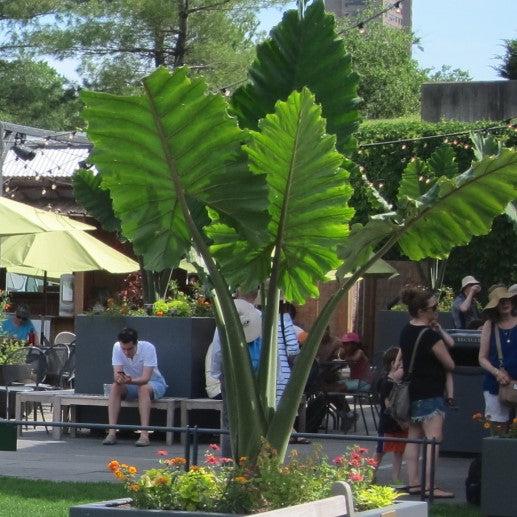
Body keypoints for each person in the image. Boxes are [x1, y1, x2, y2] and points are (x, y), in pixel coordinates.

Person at [396, 285, 455, 499]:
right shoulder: (429, 335)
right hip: (431, 391)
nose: (436, 311)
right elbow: (450, 364)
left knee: (413, 438)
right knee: (433, 439)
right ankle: (430, 486)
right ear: (422, 311)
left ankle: (412, 482)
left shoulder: (406, 331)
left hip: (412, 392)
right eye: (433, 307)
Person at [102, 327, 168, 446]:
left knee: (143, 388)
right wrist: (119, 379)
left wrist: (129, 380)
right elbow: (116, 374)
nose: (126, 352)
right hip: (131, 383)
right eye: (124, 349)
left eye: (130, 349)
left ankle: (144, 435)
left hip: (154, 383)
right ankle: (111, 432)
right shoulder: (117, 347)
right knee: (115, 386)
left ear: (136, 343)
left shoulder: (148, 348)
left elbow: (145, 379)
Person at [478, 286, 517, 426]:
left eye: (507, 300)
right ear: (495, 306)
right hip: (495, 384)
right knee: (497, 429)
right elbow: (482, 358)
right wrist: (497, 373)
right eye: (501, 302)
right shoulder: (490, 325)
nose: (505, 304)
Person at [375, 347, 407, 484]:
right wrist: (400, 421)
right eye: (401, 365)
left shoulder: (400, 383)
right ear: (393, 363)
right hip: (388, 423)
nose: (403, 368)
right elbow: (388, 405)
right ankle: (370, 473)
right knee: (380, 451)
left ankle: (396, 477)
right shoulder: (386, 383)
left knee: (399, 451)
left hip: (399, 424)